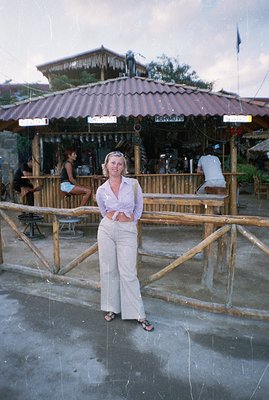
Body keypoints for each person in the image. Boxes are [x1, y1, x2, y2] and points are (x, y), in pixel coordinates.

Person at [96, 151, 154, 332]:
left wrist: (130, 221)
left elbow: (139, 207)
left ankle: (138, 313)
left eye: (119, 164)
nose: (115, 166)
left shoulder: (133, 184)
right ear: (106, 166)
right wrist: (112, 218)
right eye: (112, 163)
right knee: (108, 269)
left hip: (127, 230)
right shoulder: (101, 189)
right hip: (106, 229)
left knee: (128, 272)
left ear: (124, 167)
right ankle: (112, 308)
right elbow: (102, 209)